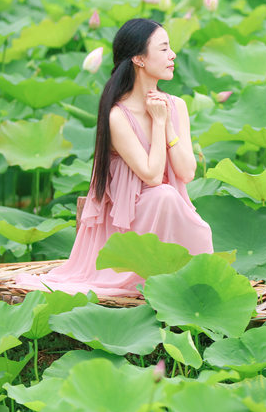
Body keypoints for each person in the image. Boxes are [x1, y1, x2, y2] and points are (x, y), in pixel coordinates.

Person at [14, 18, 214, 296]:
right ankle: (145, 274)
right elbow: (153, 177)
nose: (173, 55)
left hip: (167, 210)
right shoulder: (118, 116)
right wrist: (157, 123)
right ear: (139, 59)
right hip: (128, 223)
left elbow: (188, 172)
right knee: (164, 196)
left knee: (182, 211)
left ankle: (184, 279)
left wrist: (166, 121)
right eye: (164, 49)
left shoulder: (175, 105)